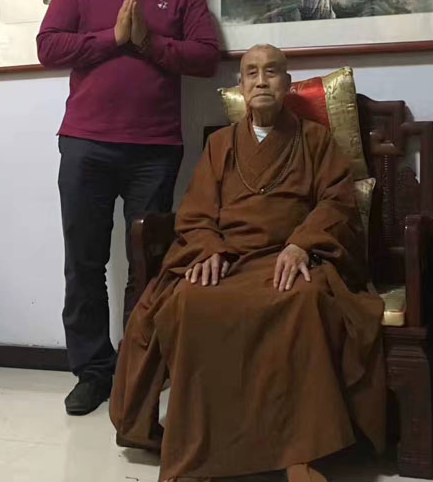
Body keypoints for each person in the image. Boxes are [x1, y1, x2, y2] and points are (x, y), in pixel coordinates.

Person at [109, 44, 386, 482]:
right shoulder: (220, 144)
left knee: (304, 299)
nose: (261, 81)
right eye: (251, 73)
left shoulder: (315, 140)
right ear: (241, 85)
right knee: (191, 300)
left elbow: (336, 203)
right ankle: (198, 452)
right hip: (230, 259)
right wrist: (208, 248)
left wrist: (302, 245)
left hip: (289, 258)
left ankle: (300, 453)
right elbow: (197, 210)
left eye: (271, 72)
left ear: (287, 84)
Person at [37, 0, 220, 416]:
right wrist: (113, 38)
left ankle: (138, 369)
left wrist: (149, 42)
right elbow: (49, 47)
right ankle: (93, 372)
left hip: (154, 149)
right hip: (86, 144)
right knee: (84, 262)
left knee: (148, 264)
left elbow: (205, 57)